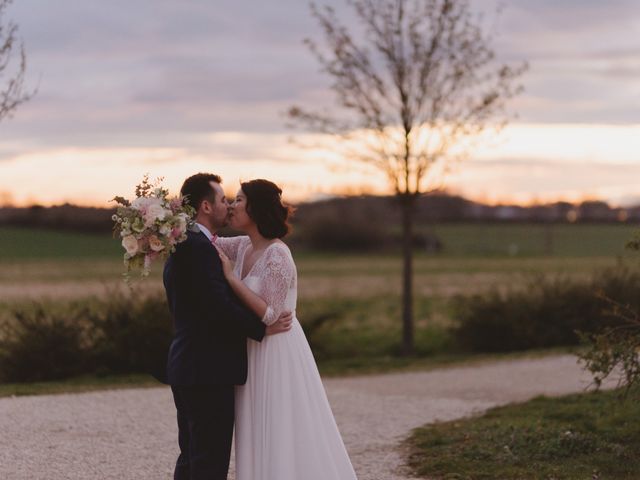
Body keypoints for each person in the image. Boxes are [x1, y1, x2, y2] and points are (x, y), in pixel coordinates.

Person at [214, 179, 358, 480]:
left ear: (256, 208)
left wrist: (231, 280)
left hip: (277, 349)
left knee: (280, 424)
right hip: (253, 348)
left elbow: (270, 313)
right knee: (254, 424)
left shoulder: (278, 255)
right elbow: (206, 241)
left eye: (239, 200)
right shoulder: (242, 246)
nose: (232, 206)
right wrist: (165, 221)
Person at [163, 173, 293, 480]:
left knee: (194, 457)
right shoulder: (197, 246)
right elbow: (217, 307)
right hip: (206, 368)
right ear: (206, 207)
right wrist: (260, 329)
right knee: (208, 461)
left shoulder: (194, 243)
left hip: (193, 364)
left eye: (236, 200)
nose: (230, 205)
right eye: (225, 200)